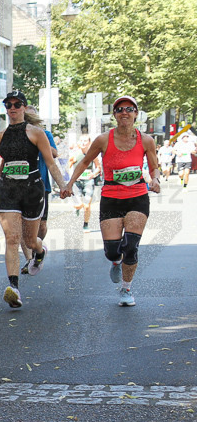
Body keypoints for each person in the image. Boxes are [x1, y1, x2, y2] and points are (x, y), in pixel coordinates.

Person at [60, 95, 160, 306]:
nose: (124, 112)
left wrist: (156, 180)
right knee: (112, 250)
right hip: (111, 198)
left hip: (137, 197)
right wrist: (69, 184)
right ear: (114, 115)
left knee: (131, 246)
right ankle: (115, 261)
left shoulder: (147, 140)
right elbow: (85, 161)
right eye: (119, 109)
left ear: (136, 114)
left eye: (129, 109)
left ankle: (126, 289)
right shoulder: (103, 139)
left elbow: (154, 167)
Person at [0, 90, 66, 309]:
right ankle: (14, 288)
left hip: (31, 190)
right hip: (7, 189)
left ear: (24, 108)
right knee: (11, 238)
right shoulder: (0, 136)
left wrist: (63, 185)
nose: (12, 108)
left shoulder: (37, 133)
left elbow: (51, 162)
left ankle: (39, 251)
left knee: (30, 240)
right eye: (8, 105)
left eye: (17, 104)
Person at [19, 106, 57, 273]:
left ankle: (37, 245)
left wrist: (41, 142)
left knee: (41, 225)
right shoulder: (16, 135)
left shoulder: (44, 134)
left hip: (41, 184)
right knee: (20, 225)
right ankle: (29, 259)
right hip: (19, 185)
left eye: (31, 118)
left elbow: (55, 154)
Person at [68, 138, 100, 232]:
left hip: (88, 181)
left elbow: (98, 167)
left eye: (85, 141)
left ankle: (86, 224)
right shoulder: (74, 155)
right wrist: (73, 176)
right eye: (81, 141)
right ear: (78, 142)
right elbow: (69, 167)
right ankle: (77, 207)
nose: (83, 143)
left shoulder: (92, 154)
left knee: (87, 205)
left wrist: (93, 174)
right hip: (77, 182)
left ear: (89, 143)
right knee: (79, 204)